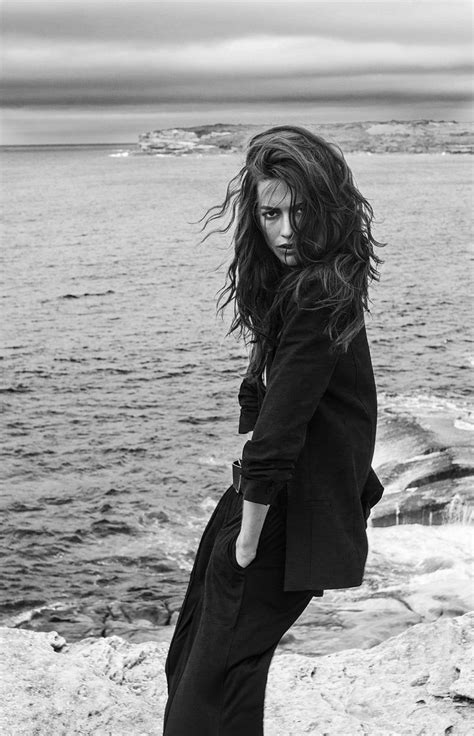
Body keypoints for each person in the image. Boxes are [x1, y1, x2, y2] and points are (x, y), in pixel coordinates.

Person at [162, 125, 385, 735]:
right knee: (213, 669)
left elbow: (280, 431)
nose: (287, 231)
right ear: (254, 216)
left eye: (301, 212)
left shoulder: (318, 296)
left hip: (278, 514)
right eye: (272, 213)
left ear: (329, 211)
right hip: (277, 504)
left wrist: (246, 538)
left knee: (203, 687)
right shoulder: (315, 287)